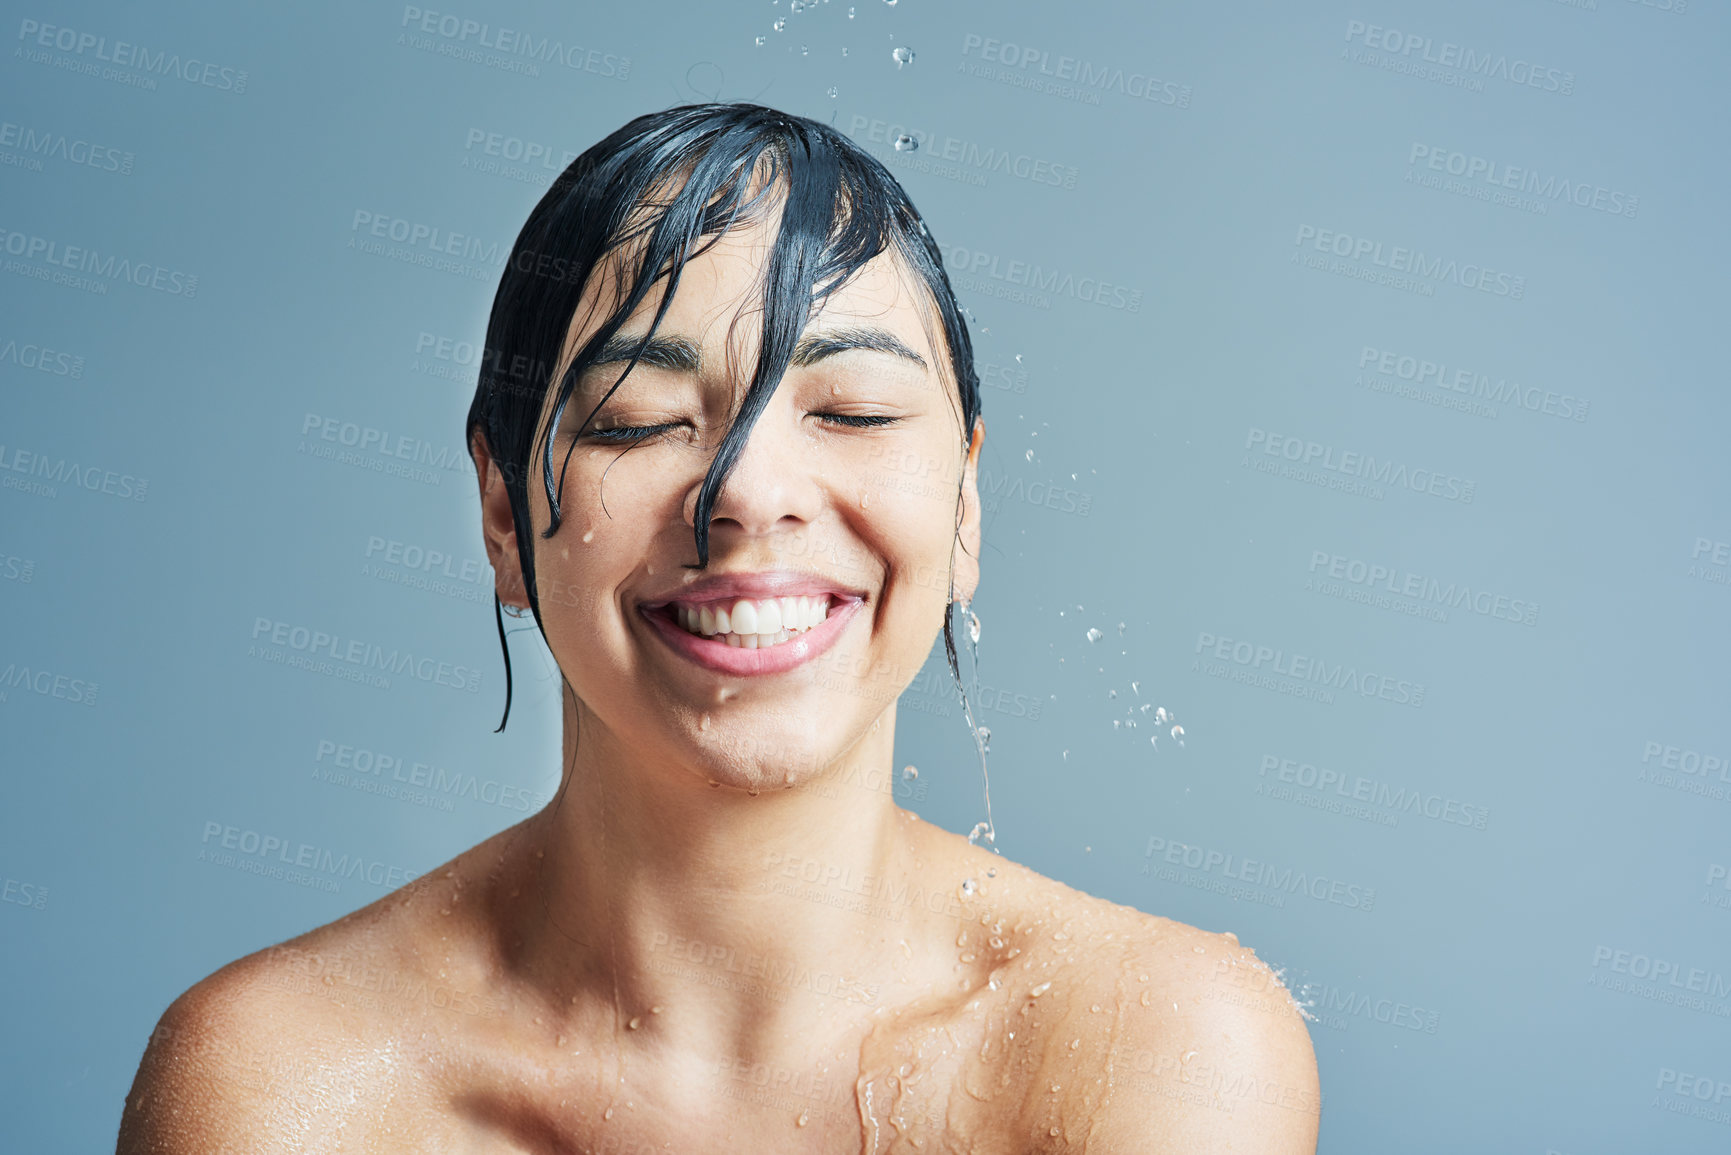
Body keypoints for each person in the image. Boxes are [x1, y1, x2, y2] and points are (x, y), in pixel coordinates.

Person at [117, 103, 1318, 1153]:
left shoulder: (1154, 1050)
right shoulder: (285, 1086)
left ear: (964, 507)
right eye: (640, 420)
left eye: (851, 410)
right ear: (500, 513)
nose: (749, 492)